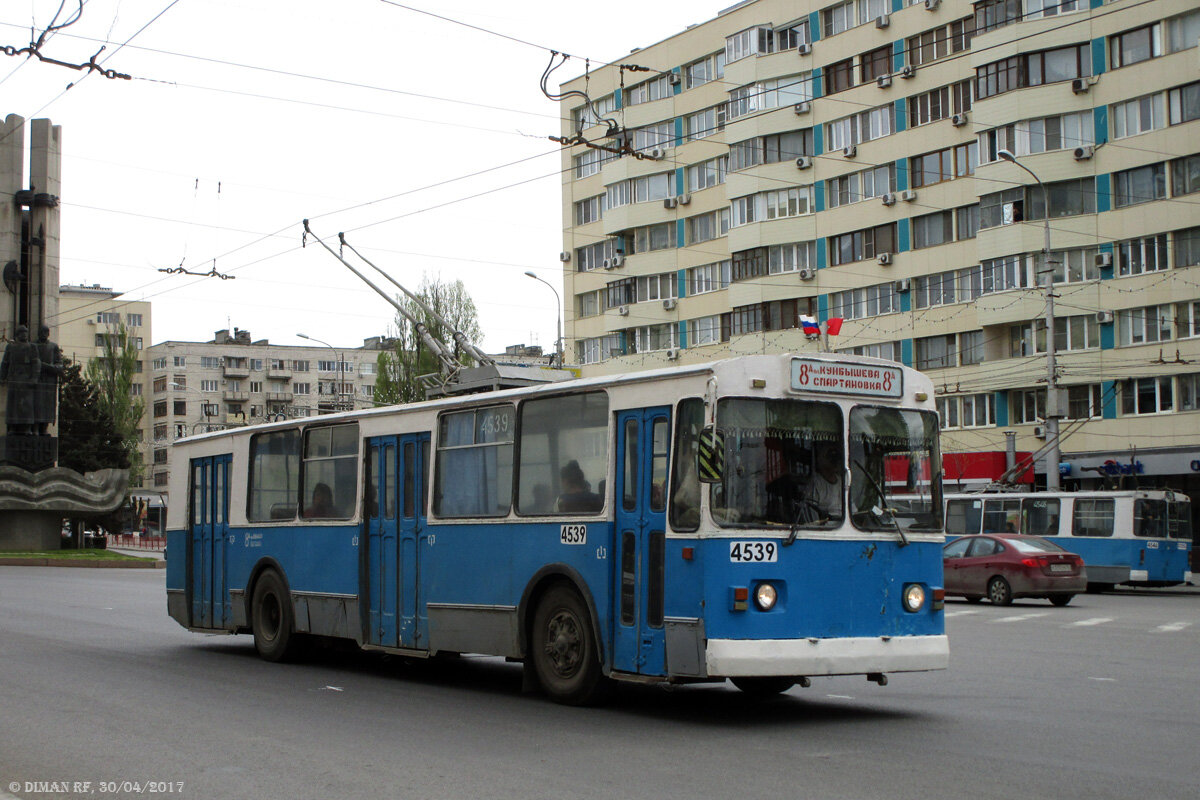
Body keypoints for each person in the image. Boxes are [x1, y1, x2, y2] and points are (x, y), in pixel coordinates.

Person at [803, 441, 844, 519]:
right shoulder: (815, 483)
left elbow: (853, 510)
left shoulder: (843, 482)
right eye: (830, 455)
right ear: (820, 459)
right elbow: (812, 516)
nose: (835, 460)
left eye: (836, 455)